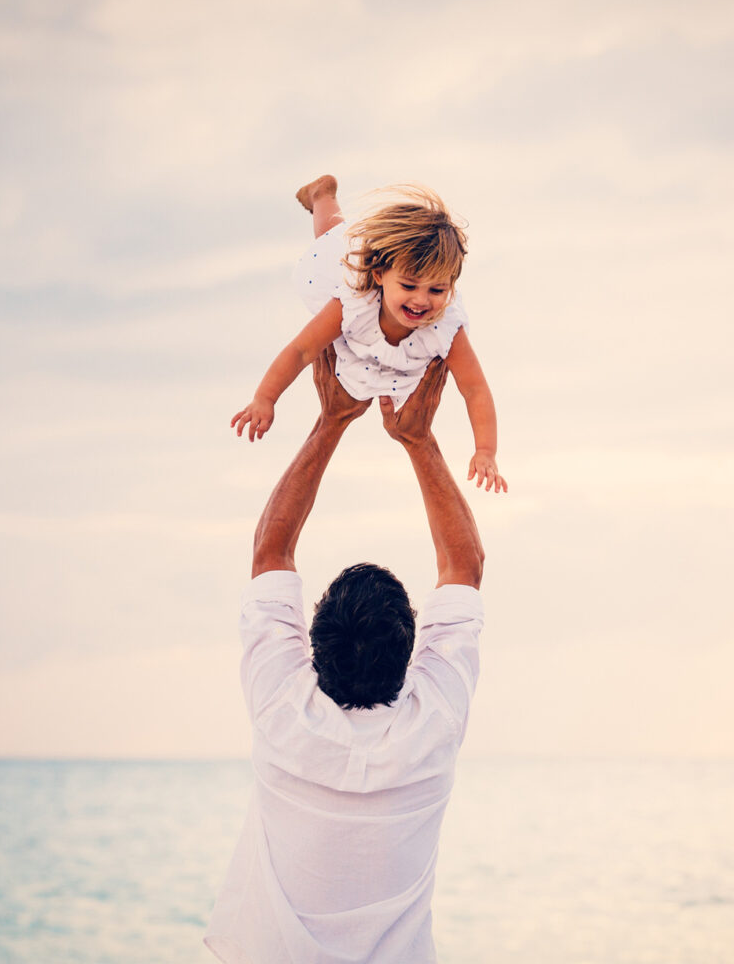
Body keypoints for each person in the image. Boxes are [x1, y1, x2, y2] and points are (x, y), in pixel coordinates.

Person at [205, 347, 485, 964]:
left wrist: (330, 420)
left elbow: (269, 552)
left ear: (313, 646)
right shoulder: (433, 720)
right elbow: (463, 567)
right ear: (413, 653)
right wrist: (418, 441)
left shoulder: (283, 709)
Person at [231, 174, 506, 493]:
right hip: (343, 269)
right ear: (379, 275)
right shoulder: (352, 302)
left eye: (437, 289)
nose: (421, 299)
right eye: (408, 286)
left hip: (382, 334)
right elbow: (301, 351)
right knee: (332, 242)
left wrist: (485, 451)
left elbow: (475, 389)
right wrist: (265, 398)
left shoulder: (445, 326)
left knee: (342, 244)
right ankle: (322, 195)